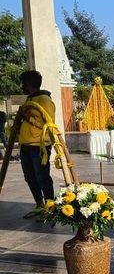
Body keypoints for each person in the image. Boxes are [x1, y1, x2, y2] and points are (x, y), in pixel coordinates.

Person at [18, 70, 56, 218]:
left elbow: (48, 123)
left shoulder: (44, 99)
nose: (23, 86)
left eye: (24, 83)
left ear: (28, 84)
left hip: (39, 145)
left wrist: (27, 117)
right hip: (26, 145)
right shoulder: (30, 99)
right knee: (29, 176)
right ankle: (39, 205)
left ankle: (50, 206)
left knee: (42, 176)